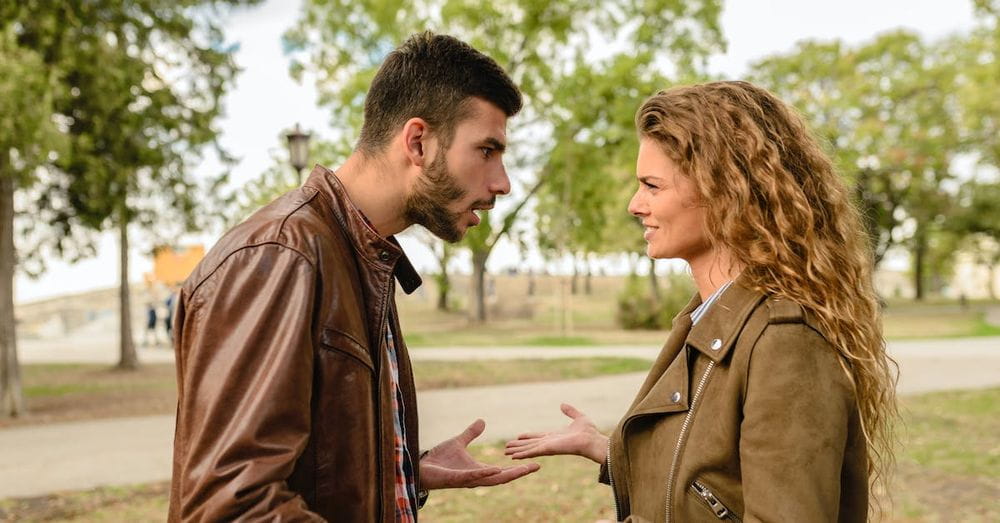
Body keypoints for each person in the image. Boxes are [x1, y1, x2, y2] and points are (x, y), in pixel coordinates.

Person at [169, 32, 539, 522]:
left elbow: (312, 470)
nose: (502, 183)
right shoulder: (281, 256)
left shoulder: (361, 255)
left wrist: (404, 471)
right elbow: (231, 507)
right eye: (487, 151)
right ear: (418, 142)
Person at [505, 81, 897, 522]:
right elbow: (713, 484)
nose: (635, 205)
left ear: (726, 191)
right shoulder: (709, 317)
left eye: (653, 186)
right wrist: (607, 451)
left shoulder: (785, 341)